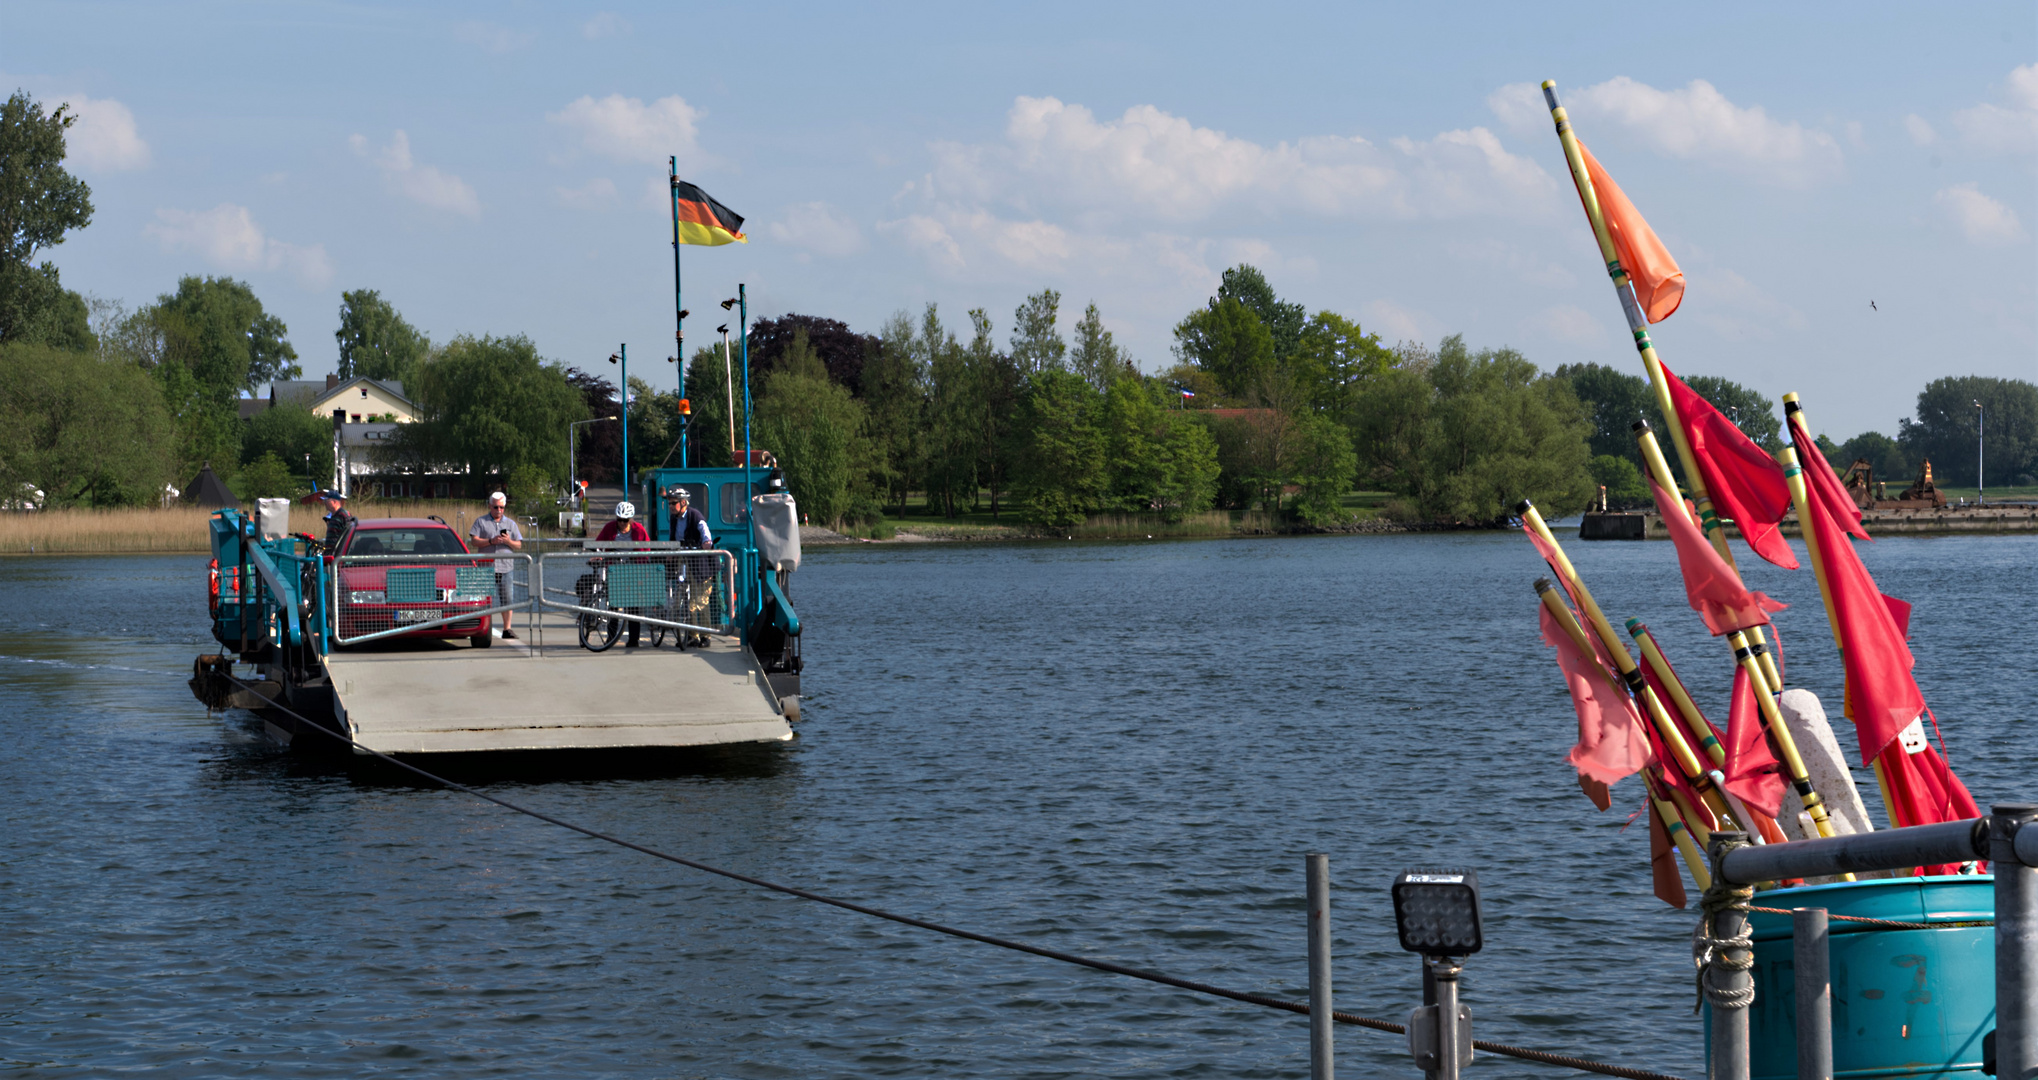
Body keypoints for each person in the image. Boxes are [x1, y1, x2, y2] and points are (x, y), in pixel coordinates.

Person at [469, 491, 524, 640]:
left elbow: (518, 545)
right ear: (489, 506)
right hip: (486, 568)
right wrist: (491, 541)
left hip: (506, 567)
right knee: (483, 600)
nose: (498, 510)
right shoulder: (480, 522)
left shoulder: (511, 524)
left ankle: (507, 629)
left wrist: (508, 542)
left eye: (501, 507)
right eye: (495, 507)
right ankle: (480, 628)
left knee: (507, 599)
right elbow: (474, 541)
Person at [595, 501, 650, 646]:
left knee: (633, 606)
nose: (621, 523)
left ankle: (633, 639)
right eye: (619, 519)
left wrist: (642, 569)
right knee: (613, 604)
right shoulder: (609, 528)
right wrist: (597, 554)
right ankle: (611, 638)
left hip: (634, 570)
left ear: (631, 519)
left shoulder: (639, 530)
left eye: (625, 520)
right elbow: (598, 543)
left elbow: (647, 551)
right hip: (614, 569)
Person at [667, 488, 714, 647]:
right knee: (685, 598)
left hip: (698, 562)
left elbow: (704, 530)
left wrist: (706, 542)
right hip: (683, 560)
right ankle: (692, 635)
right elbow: (673, 538)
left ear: (683, 503)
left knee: (699, 600)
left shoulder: (695, 515)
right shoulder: (674, 519)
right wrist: (671, 552)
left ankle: (706, 635)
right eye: (669, 503)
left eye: (674, 503)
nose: (671, 506)